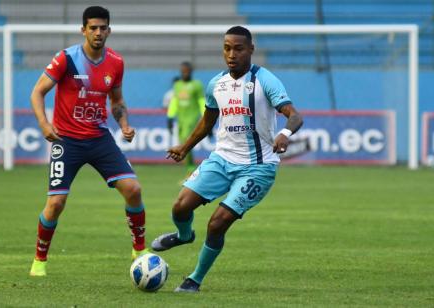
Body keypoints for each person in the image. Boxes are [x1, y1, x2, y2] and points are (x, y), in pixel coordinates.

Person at [151, 26, 303, 292]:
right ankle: (184, 236)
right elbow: (206, 122)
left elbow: (295, 115)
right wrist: (185, 148)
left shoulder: (265, 80)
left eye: (239, 48)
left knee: (217, 222)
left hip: (257, 168)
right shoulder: (216, 84)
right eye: (227, 48)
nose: (232, 54)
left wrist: (284, 133)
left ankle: (194, 280)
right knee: (180, 207)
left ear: (251, 50)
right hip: (221, 160)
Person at [29, 6, 148, 277]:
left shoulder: (116, 62)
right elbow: (37, 92)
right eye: (92, 28)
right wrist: (44, 124)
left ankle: (139, 251)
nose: (98, 32)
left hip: (98, 138)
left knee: (133, 189)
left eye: (102, 28)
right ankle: (39, 260)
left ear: (109, 30)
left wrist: (125, 125)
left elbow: (116, 101)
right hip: (66, 140)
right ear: (83, 30)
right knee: (56, 204)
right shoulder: (66, 59)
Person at [166, 62, 205, 174]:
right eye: (183, 71)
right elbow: (174, 102)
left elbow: (201, 101)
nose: (185, 73)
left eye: (187, 71)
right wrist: (170, 117)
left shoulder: (197, 85)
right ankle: (190, 170)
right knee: (183, 142)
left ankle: (191, 170)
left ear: (191, 71)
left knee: (185, 143)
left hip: (192, 119)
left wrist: (205, 117)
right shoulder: (177, 85)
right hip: (181, 120)